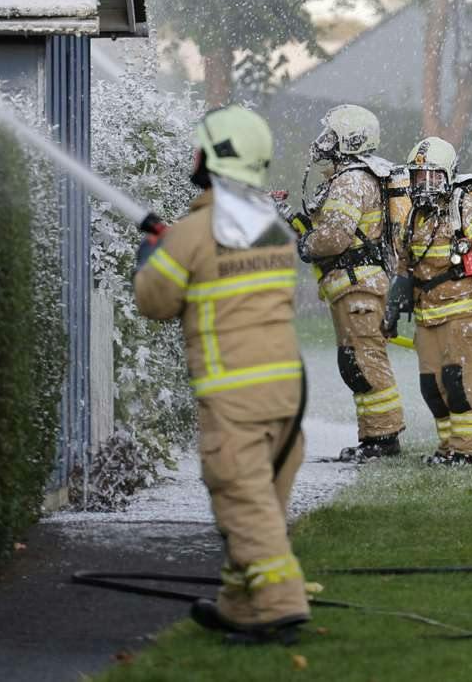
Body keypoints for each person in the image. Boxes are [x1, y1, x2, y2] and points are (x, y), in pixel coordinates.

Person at [134, 105, 310, 645]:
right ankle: (240, 603)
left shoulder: (189, 235)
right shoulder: (273, 230)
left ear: (213, 159)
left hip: (232, 396)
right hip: (287, 393)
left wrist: (152, 253)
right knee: (262, 504)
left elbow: (154, 301)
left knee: (240, 497)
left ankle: (279, 604)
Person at [388, 136, 472, 465]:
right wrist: (392, 310)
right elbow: (403, 268)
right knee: (432, 387)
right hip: (428, 317)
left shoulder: (463, 209)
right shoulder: (414, 218)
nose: (424, 185)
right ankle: (448, 447)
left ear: (449, 176)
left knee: (459, 385)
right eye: (418, 177)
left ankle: (469, 450)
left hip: (462, 314)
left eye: (432, 177)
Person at [298, 105, 405, 462]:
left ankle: (384, 439)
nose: (322, 142)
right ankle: (374, 437)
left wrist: (306, 244)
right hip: (354, 285)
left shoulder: (350, 180)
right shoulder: (356, 176)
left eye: (330, 135)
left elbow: (335, 237)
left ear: (348, 139)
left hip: (359, 287)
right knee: (355, 361)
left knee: (364, 360)